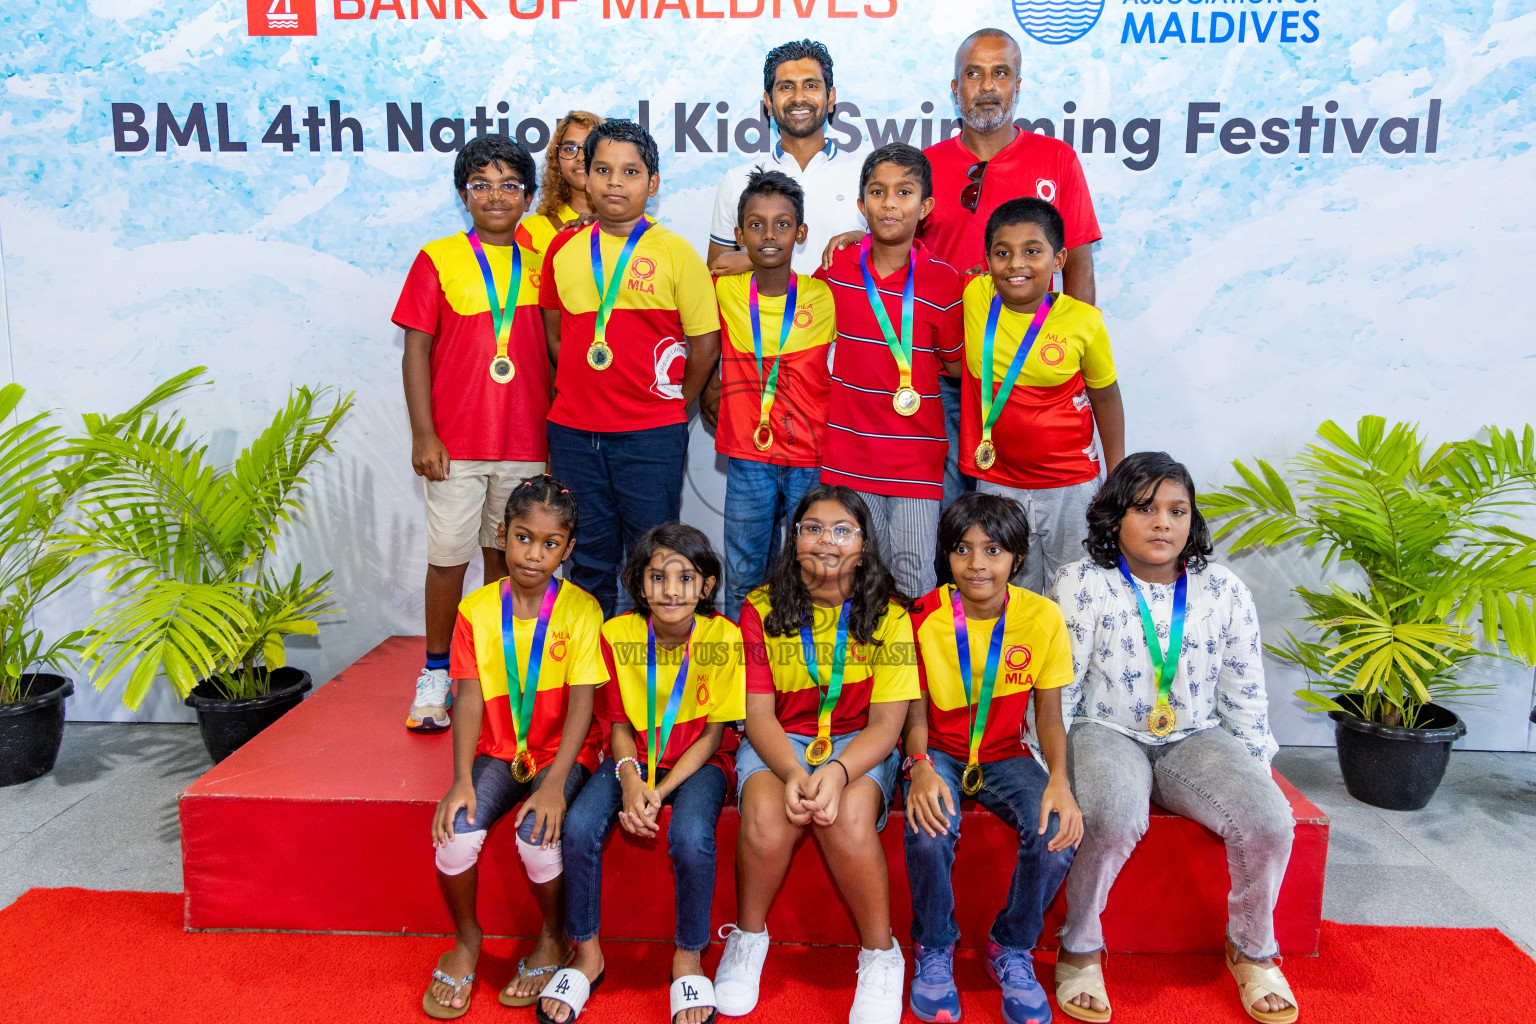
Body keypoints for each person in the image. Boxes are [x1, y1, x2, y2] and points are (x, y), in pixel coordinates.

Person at [1047, 453, 1297, 1024]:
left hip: (1195, 737)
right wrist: (1052, 772)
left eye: (1177, 510)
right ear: (1114, 518)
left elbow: (1244, 688)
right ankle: (1080, 945)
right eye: (1146, 508)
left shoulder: (1224, 590)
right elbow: (1058, 689)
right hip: (1104, 730)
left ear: (1192, 521)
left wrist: (1254, 763)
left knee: (1268, 820)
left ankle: (1252, 949)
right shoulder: (1081, 584)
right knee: (1109, 816)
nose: (1163, 523)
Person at [714, 484, 917, 1024]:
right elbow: (757, 715)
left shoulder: (892, 616)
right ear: (794, 538)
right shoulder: (758, 608)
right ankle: (749, 939)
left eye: (843, 530)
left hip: (857, 742)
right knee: (764, 815)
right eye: (812, 528)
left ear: (865, 544)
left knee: (846, 818)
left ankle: (880, 953)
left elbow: (888, 724)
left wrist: (837, 770)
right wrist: (793, 771)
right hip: (782, 739)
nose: (826, 540)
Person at [538, 524, 745, 1024]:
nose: (671, 591)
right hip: (630, 756)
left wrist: (658, 791)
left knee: (694, 835)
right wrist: (632, 781)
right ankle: (587, 955)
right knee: (582, 827)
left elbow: (713, 737)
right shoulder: (617, 634)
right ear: (639, 583)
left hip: (698, 761)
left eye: (685, 578)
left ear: (707, 586)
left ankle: (689, 957)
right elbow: (618, 726)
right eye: (657, 577)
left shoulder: (725, 637)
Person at [424, 476, 605, 1019]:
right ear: (502, 534)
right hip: (500, 751)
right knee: (455, 838)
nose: (534, 554)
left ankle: (552, 938)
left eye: (551, 544)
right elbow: (470, 698)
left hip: (561, 757)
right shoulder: (477, 611)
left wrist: (554, 786)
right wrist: (460, 778)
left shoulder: (581, 611)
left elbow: (582, 708)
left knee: (538, 839)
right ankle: (467, 940)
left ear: (568, 550)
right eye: (524, 538)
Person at [902, 492, 1082, 1024]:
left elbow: (1049, 716)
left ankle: (1012, 946)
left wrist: (1060, 782)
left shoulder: (1044, 617)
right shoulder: (921, 617)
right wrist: (919, 768)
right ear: (947, 555)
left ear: (1018, 558)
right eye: (962, 549)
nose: (977, 563)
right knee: (929, 827)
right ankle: (934, 947)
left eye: (994, 549)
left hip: (1005, 753)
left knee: (1056, 832)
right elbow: (912, 712)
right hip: (938, 750)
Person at [394, 134, 548, 733]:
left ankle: (497, 672)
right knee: (448, 559)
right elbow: (416, 352)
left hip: (527, 443)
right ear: (463, 195)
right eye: (481, 184)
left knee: (508, 562)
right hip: (455, 445)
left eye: (510, 184)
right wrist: (423, 434)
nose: (496, 196)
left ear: (529, 196)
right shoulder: (437, 258)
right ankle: (435, 672)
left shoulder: (545, 260)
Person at [539, 119, 722, 617]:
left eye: (630, 171)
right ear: (586, 177)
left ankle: (649, 677)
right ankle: (593, 680)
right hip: (575, 433)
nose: (615, 182)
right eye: (603, 169)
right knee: (589, 561)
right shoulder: (563, 248)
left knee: (654, 558)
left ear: (653, 183)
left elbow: (705, 342)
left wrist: (673, 408)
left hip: (650, 436)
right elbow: (556, 335)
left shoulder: (675, 252)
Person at [816, 143, 962, 599]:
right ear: (862, 206)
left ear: (927, 207)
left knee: (913, 582)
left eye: (904, 192)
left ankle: (911, 672)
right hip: (848, 456)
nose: (890, 203)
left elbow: (955, 364)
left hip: (916, 462)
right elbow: (789, 301)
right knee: (854, 581)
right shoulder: (836, 270)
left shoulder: (944, 281)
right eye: (878, 192)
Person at [962, 198, 1124, 594]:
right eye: (1003, 253)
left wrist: (1118, 474)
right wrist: (859, 241)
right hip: (998, 481)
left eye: (1032, 251)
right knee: (1010, 594)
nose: (1016, 264)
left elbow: (1106, 397)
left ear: (1059, 260)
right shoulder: (975, 296)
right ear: (987, 261)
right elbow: (904, 263)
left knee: (1077, 593)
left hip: (1069, 484)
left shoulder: (1083, 322)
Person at [702, 170, 836, 620]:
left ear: (800, 233)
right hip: (748, 456)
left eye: (782, 224)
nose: (769, 234)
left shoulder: (826, 295)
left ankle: (799, 667)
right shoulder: (721, 291)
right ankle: (747, 674)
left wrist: (854, 235)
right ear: (739, 235)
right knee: (743, 572)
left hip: (809, 457)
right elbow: (702, 277)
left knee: (812, 570)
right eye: (756, 225)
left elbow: (875, 265)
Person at [707, 39, 864, 277]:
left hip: (843, 315)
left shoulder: (866, 176)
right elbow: (717, 274)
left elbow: (895, 261)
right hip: (760, 315)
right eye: (786, 87)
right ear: (769, 101)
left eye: (810, 85)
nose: (798, 98)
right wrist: (756, 258)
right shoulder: (736, 181)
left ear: (830, 97)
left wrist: (866, 241)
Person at [524, 111, 604, 257]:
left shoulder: (637, 227)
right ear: (556, 161)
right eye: (569, 149)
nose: (580, 157)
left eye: (589, 148)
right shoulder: (531, 231)